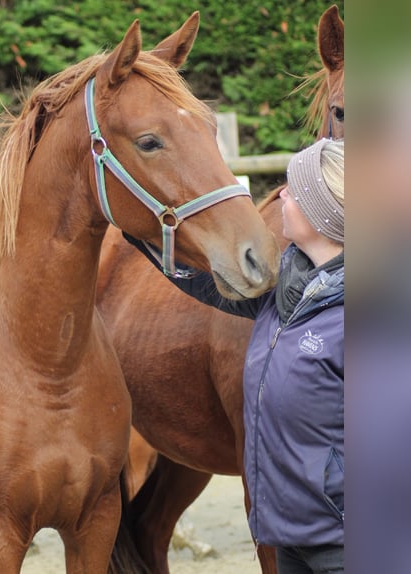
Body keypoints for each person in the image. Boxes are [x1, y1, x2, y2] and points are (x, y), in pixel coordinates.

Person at [124, 137, 344, 574]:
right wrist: (140, 223)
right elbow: (200, 281)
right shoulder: (283, 293)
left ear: (322, 214)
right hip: (289, 533)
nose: (281, 194)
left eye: (295, 191)